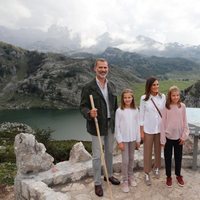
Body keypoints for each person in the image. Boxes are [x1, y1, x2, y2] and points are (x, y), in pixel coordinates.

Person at [80, 58, 120, 197]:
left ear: (108, 68)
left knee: (109, 152)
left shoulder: (112, 85)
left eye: (105, 68)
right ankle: (97, 183)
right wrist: (89, 113)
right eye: (100, 68)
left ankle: (108, 176)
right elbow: (82, 106)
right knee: (97, 156)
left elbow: (115, 107)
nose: (103, 70)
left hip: (110, 124)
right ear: (95, 69)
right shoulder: (88, 87)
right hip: (96, 124)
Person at [160, 86, 189, 188]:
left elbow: (185, 122)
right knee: (168, 158)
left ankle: (178, 175)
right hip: (168, 138)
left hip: (179, 138)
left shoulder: (182, 107)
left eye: (177, 95)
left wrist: (184, 136)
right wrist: (162, 139)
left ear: (179, 96)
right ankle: (168, 176)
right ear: (170, 96)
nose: (176, 97)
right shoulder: (166, 108)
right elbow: (162, 124)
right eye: (173, 95)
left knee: (178, 158)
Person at [139, 77, 166, 186]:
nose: (156, 87)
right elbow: (141, 116)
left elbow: (165, 113)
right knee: (147, 152)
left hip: (159, 129)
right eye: (154, 85)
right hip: (148, 129)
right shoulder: (144, 98)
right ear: (149, 86)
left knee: (158, 150)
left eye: (157, 84)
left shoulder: (163, 97)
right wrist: (141, 132)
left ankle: (156, 168)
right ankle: (146, 172)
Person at [115, 89, 140, 193]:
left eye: (129, 97)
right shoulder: (119, 111)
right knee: (125, 161)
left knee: (131, 158)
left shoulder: (135, 110)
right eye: (125, 97)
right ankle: (125, 180)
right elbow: (117, 127)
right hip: (124, 140)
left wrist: (138, 139)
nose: (127, 99)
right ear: (122, 99)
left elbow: (138, 125)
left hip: (133, 139)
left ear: (132, 98)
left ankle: (131, 176)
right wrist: (119, 141)